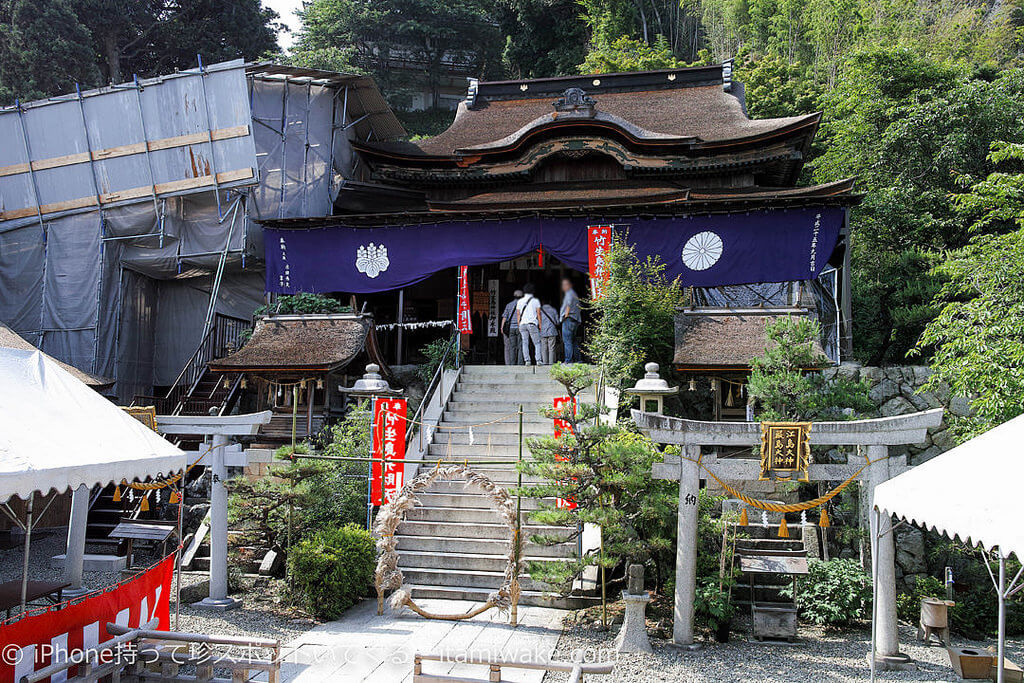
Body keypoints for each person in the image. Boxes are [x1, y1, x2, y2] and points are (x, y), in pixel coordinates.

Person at [516, 283, 542, 366]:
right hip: (532, 324)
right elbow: (538, 314)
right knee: (537, 343)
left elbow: (518, 314)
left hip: (522, 324)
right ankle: (538, 360)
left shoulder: (520, 301)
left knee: (525, 342)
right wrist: (540, 325)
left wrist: (518, 324)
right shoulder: (536, 301)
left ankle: (527, 360)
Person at [560, 278, 581, 363]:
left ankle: (568, 360)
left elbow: (568, 305)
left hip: (569, 319)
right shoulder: (574, 294)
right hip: (575, 319)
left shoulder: (569, 293)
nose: (563, 287)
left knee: (567, 341)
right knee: (573, 340)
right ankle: (578, 359)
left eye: (564, 285)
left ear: (569, 285)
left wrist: (565, 316)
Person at [501, 290, 523, 365]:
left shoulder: (509, 305)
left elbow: (504, 317)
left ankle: (512, 363)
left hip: (511, 328)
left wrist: (502, 327)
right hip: (520, 328)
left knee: (512, 347)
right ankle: (520, 363)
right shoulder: (523, 305)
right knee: (520, 346)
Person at [539, 300, 559, 365]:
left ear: (542, 302)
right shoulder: (553, 310)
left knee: (544, 348)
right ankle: (551, 363)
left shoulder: (540, 310)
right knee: (552, 348)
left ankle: (545, 362)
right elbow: (557, 322)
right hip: (552, 331)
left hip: (543, 331)